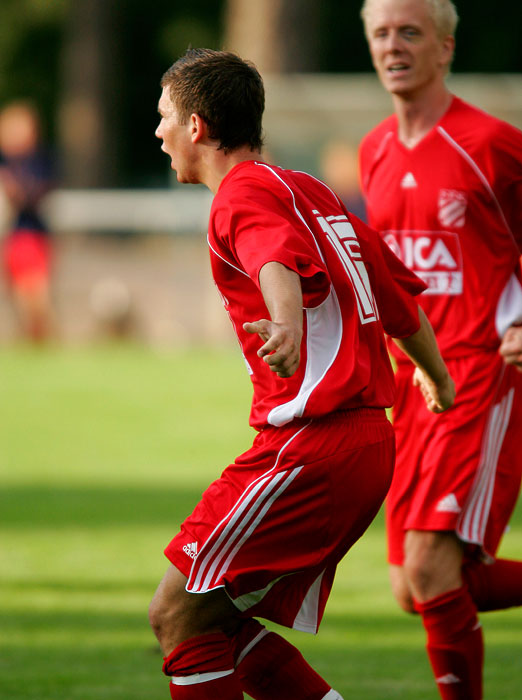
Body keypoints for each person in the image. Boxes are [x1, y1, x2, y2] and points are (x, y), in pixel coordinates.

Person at [149, 48, 454, 700]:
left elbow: (270, 257)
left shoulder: (242, 194)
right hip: (367, 441)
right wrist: (438, 378)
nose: (158, 132)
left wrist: (285, 322)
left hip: (314, 445)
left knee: (175, 612)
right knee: (213, 620)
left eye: (164, 116)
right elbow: (399, 305)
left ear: (197, 127)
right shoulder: (312, 191)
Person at [359, 1, 522, 698]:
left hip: (483, 375)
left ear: (445, 47)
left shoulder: (491, 144)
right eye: (381, 34)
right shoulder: (373, 151)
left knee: (429, 570)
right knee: (410, 586)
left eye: (410, 33)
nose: (393, 46)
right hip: (414, 387)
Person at [0, 101, 56, 342]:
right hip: (11, 237)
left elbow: (33, 194)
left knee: (35, 297)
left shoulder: (38, 162)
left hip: (30, 235)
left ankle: (43, 340)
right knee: (19, 299)